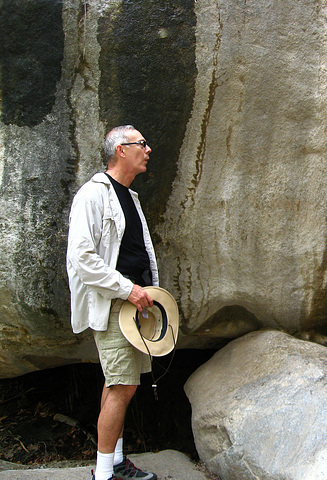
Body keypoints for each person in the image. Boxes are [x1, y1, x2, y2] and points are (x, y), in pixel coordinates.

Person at [67, 125, 158, 480]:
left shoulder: (129, 197)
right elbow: (82, 258)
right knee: (123, 386)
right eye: (142, 143)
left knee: (118, 383)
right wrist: (128, 290)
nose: (148, 149)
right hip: (114, 305)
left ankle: (115, 462)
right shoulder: (92, 195)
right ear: (121, 150)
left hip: (133, 306)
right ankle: (104, 474)